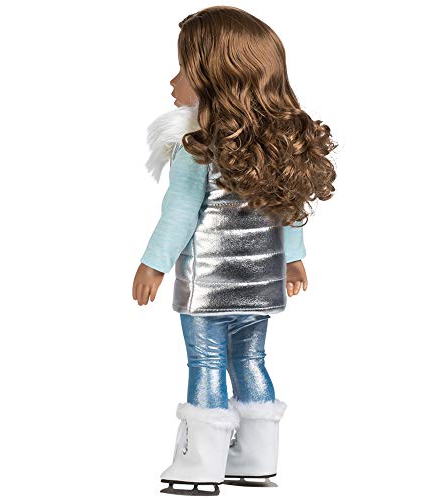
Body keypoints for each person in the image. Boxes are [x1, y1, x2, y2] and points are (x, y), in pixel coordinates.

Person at [132, 6, 337, 496]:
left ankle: (199, 464)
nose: (173, 80)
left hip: (209, 284)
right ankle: (256, 458)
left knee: (205, 363)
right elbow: (289, 207)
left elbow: (180, 212)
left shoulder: (197, 144)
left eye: (184, 69)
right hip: (260, 283)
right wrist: (292, 258)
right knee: (250, 359)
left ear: (215, 76)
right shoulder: (278, 144)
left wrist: (153, 263)